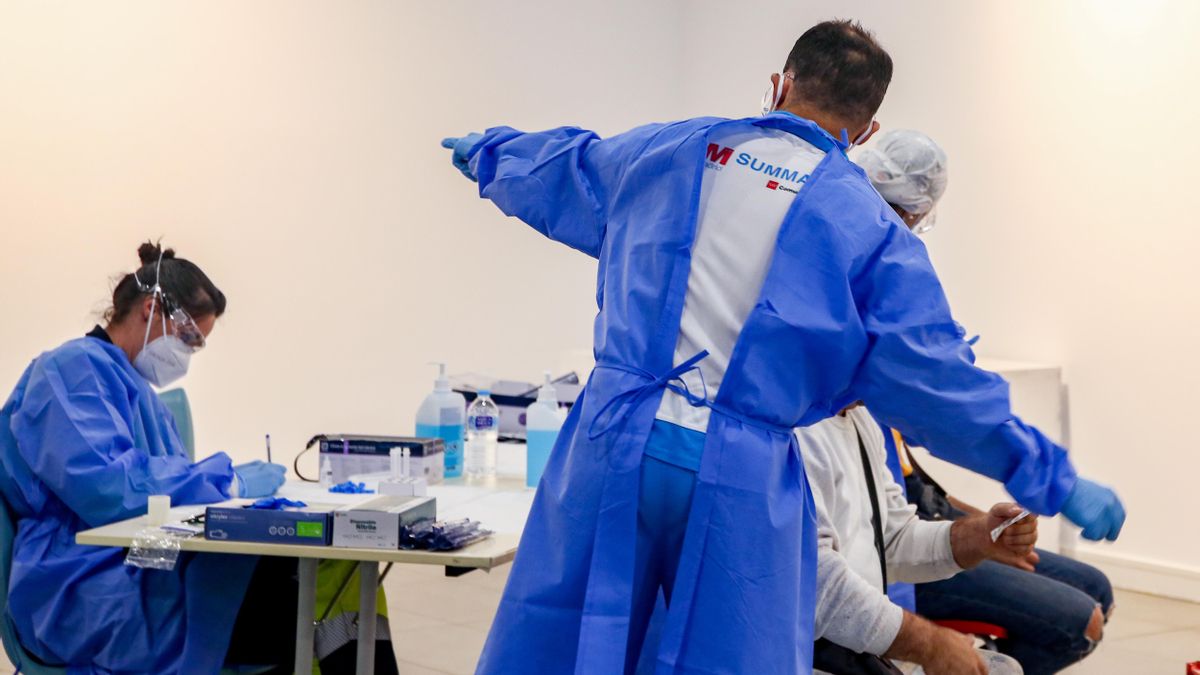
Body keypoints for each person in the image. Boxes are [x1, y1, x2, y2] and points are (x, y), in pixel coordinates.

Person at [442, 20, 1122, 674]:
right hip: (738, 468)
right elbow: (940, 386)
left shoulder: (674, 150)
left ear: (779, 84)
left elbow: (572, 167)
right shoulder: (866, 224)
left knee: (571, 635)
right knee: (727, 653)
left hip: (613, 437)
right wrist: (1052, 477)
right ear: (868, 130)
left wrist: (493, 154)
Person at [857, 130, 1115, 673]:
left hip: (911, 523)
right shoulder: (853, 364)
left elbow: (909, 484)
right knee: (1078, 617)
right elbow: (946, 404)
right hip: (884, 551)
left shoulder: (855, 270)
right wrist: (1052, 481)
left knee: (1093, 586)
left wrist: (983, 526)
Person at [0, 243, 288, 673]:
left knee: (319, 575)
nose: (187, 355)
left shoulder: (139, 393)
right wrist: (227, 482)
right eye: (189, 338)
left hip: (138, 559)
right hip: (77, 577)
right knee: (285, 604)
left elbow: (165, 497)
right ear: (151, 307)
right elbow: (111, 488)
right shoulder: (69, 371)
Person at [802, 406, 1027, 675]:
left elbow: (892, 540)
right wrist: (929, 643)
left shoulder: (860, 420)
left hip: (854, 653)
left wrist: (980, 537)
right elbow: (814, 585)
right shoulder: (794, 433)